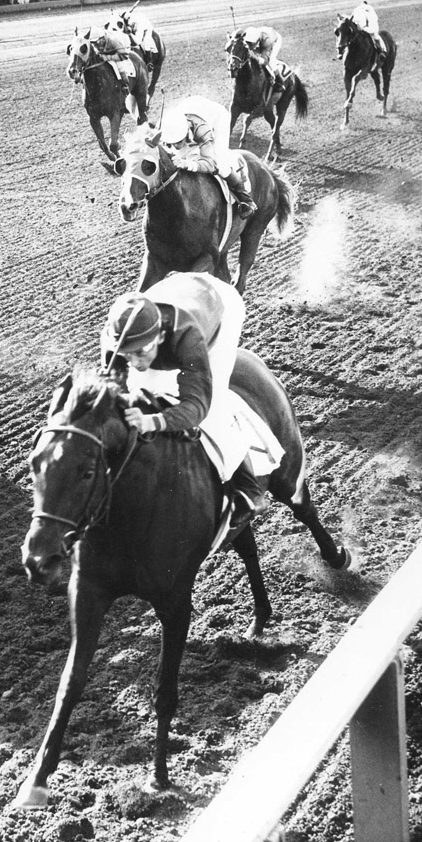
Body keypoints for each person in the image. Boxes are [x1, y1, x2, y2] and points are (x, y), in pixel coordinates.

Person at [100, 272, 267, 529]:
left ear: (159, 337)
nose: (135, 363)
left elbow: (197, 406)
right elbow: (113, 388)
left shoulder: (188, 337)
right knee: (136, 389)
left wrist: (155, 421)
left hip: (218, 310)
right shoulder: (116, 337)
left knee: (214, 406)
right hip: (170, 294)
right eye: (126, 355)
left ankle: (248, 488)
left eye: (141, 353)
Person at [156, 102, 257, 219]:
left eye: (179, 142)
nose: (176, 147)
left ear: (186, 133)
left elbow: (211, 164)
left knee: (220, 162)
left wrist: (188, 164)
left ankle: (245, 200)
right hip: (191, 109)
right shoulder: (164, 125)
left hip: (218, 118)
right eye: (170, 143)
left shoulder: (202, 130)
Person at [232, 25, 286, 92]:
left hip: (275, 40)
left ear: (256, 41)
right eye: (247, 43)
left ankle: (279, 81)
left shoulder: (267, 42)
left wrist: (254, 56)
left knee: (271, 61)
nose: (248, 45)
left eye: (250, 43)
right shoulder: (248, 36)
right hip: (263, 35)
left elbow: (264, 61)